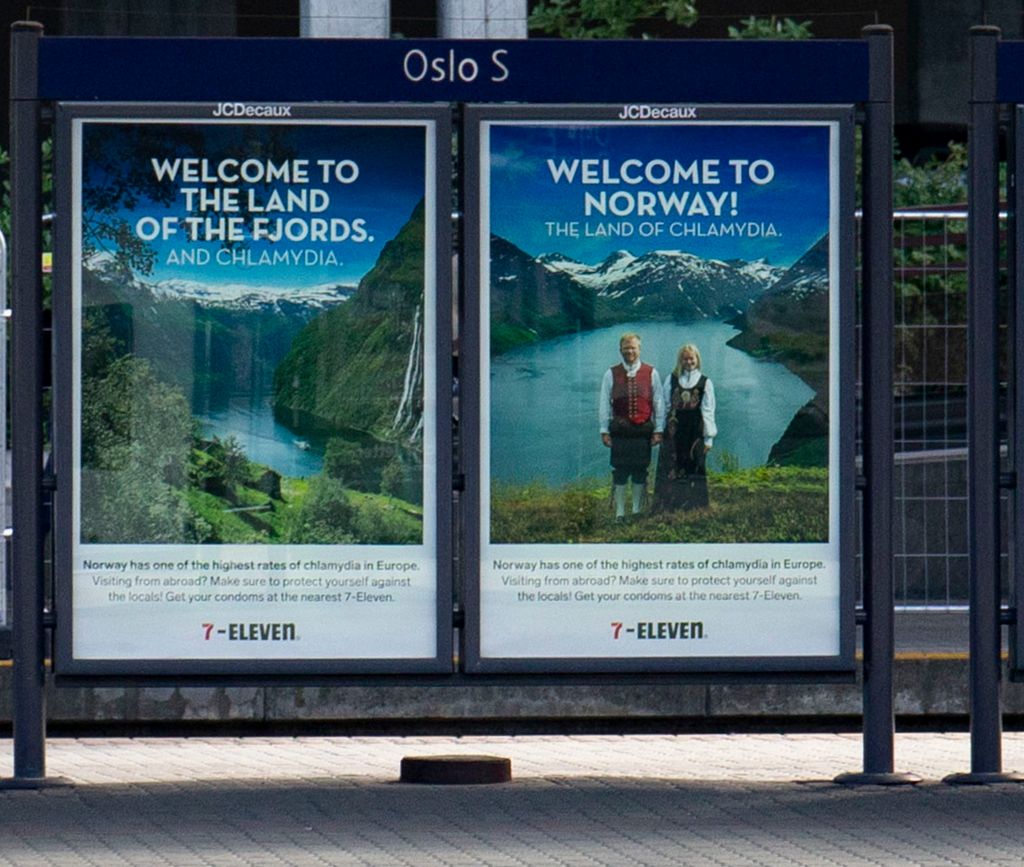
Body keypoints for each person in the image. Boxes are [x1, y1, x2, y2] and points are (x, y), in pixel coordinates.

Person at [599, 332, 665, 521]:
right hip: (619, 430)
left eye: (633, 348)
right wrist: (604, 430)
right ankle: (620, 513)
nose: (629, 351)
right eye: (626, 348)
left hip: (643, 430)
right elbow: (604, 403)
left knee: (639, 471)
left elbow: (659, 402)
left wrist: (659, 429)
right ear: (620, 349)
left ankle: (636, 511)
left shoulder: (651, 372)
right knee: (620, 472)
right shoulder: (610, 373)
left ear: (639, 349)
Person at [654, 343, 717, 512]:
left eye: (692, 358)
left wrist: (709, 438)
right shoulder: (671, 379)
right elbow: (664, 406)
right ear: (680, 360)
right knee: (673, 466)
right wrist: (659, 430)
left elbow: (708, 411)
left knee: (694, 465)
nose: (689, 361)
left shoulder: (705, 383)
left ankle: (694, 507)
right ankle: (670, 506)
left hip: (695, 432)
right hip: (674, 432)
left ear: (697, 359)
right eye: (685, 358)